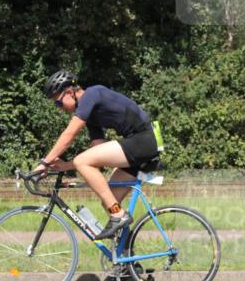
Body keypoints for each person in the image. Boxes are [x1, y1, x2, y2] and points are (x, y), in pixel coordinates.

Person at [33, 70, 161, 240]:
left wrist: (45, 162)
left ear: (70, 92)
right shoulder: (92, 116)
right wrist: (65, 166)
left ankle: (119, 215)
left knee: (114, 209)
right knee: (109, 201)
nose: (59, 109)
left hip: (145, 138)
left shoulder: (92, 94)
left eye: (58, 103)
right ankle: (125, 259)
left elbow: (69, 134)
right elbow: (97, 155)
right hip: (143, 142)